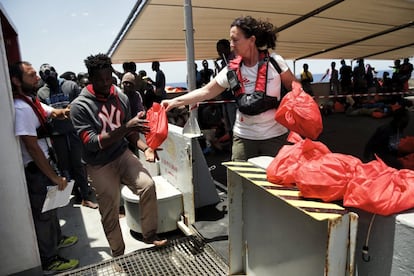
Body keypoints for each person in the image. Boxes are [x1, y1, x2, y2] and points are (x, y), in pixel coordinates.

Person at [70, 53, 167, 257]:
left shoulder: (121, 97)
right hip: (98, 165)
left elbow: (131, 132)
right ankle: (118, 252)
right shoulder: (79, 106)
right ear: (91, 79)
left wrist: (145, 148)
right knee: (110, 212)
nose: (106, 84)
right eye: (100, 80)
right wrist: (125, 128)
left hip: (121, 154)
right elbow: (93, 143)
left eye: (108, 78)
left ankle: (149, 234)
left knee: (147, 185)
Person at [162, 16, 298, 161]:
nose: (231, 45)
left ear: (251, 40)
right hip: (244, 137)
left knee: (278, 181)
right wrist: (175, 101)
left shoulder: (275, 63)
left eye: (235, 40)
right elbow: (206, 91)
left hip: (276, 136)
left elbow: (296, 89)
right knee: (239, 182)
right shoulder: (230, 71)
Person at [10, 61, 79, 274]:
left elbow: (53, 113)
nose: (37, 78)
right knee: (43, 214)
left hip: (45, 164)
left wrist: (72, 110)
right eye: (31, 76)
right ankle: (49, 260)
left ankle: (57, 238)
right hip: (36, 169)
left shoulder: (31, 102)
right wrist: (54, 176)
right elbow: (32, 147)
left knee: (52, 207)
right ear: (16, 81)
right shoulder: (21, 108)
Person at [37, 64, 98, 209]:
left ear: (56, 72)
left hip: (74, 132)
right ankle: (73, 194)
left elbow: (82, 105)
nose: (48, 75)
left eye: (50, 71)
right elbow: (43, 115)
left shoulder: (70, 86)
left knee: (79, 164)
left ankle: (84, 196)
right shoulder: (41, 93)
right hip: (57, 136)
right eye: (44, 73)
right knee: (64, 167)